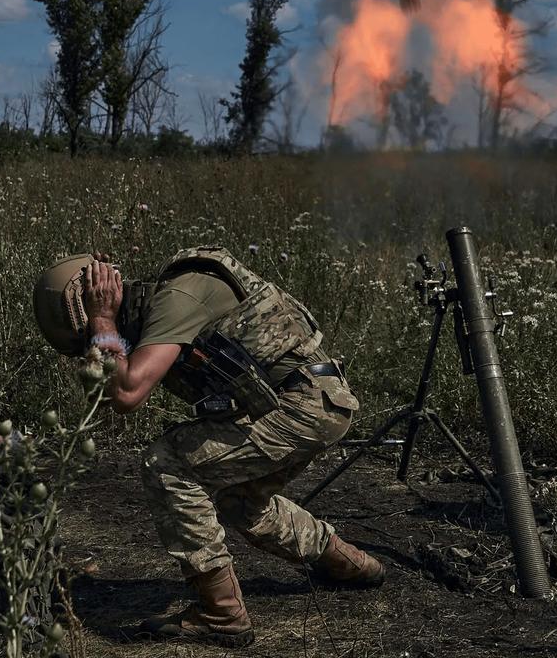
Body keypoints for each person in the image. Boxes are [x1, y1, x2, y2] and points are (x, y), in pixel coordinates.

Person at [32, 246, 385, 648]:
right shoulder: (159, 312)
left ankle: (221, 613)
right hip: (307, 404)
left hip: (303, 403)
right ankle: (351, 565)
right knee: (242, 504)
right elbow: (109, 394)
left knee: (167, 461)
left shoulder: (176, 298)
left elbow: (128, 393)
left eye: (89, 340)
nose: (95, 344)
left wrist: (100, 319)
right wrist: (103, 333)